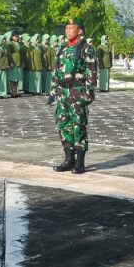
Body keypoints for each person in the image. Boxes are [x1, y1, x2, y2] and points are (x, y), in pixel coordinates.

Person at [50, 18, 98, 174]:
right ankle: (68, 159)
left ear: (80, 31)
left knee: (78, 125)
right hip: (62, 92)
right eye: (66, 28)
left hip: (77, 91)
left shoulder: (86, 48)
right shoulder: (62, 48)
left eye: (71, 28)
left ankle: (79, 162)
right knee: (63, 126)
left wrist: (89, 91)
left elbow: (91, 71)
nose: (68, 30)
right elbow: (56, 70)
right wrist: (53, 91)